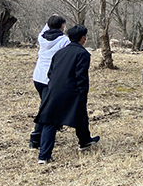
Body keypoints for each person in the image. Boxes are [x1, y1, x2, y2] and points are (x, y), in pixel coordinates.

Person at [35, 25, 100, 163]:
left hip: (53, 90)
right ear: (83, 38)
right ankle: (84, 141)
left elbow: (50, 72)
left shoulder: (59, 52)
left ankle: (44, 156)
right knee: (80, 114)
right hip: (72, 91)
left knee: (50, 121)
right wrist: (83, 94)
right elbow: (81, 76)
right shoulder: (83, 54)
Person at [29, 15, 70, 148]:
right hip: (50, 79)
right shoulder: (64, 40)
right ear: (62, 26)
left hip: (38, 76)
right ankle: (36, 138)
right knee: (46, 109)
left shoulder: (41, 37)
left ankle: (38, 136)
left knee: (45, 105)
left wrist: (52, 18)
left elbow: (45, 28)